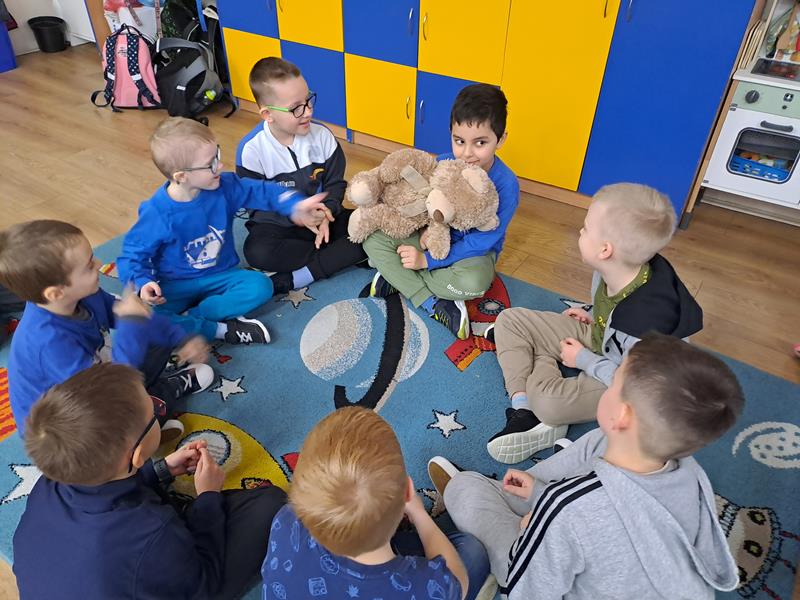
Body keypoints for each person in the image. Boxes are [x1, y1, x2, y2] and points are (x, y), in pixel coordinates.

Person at [429, 334, 743, 599]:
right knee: (595, 446)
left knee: (463, 488)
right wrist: (541, 497)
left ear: (621, 415)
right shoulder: (688, 470)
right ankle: (539, 505)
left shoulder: (568, 509)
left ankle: (492, 551)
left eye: (614, 380)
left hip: (553, 558)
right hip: (615, 551)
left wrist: (538, 530)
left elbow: (529, 591)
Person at [13, 363, 288, 599]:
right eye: (155, 412)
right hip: (161, 566)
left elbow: (107, 489)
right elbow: (202, 584)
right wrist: (208, 497)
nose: (159, 410)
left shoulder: (48, 485)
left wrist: (161, 471)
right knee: (270, 504)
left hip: (93, 572)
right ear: (137, 455)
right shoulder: (154, 529)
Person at [486, 183, 702, 462]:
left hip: (631, 381)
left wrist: (584, 360)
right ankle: (523, 408)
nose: (580, 231)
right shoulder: (617, 268)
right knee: (509, 319)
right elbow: (610, 306)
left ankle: (537, 386)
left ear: (605, 250)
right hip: (605, 337)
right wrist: (592, 313)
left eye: (586, 228)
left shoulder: (644, 325)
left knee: (547, 401)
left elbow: (631, 382)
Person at [116, 116, 332, 345]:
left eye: (217, 155)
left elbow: (262, 191)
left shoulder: (225, 186)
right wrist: (143, 282)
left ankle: (195, 319)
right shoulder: (157, 213)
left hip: (221, 276)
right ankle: (218, 330)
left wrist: (294, 205)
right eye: (210, 164)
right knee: (141, 316)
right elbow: (132, 255)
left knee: (260, 286)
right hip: (173, 285)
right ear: (182, 176)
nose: (219, 165)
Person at [0, 219, 212, 438]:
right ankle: (157, 402)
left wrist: (181, 338)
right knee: (122, 425)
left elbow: (136, 320)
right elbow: (109, 391)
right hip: (66, 429)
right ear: (56, 293)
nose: (100, 263)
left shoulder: (85, 295)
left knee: (149, 334)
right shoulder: (48, 344)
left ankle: (148, 414)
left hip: (96, 379)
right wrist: (131, 323)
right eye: (89, 266)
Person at [262, 406, 496, 600]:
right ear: (407, 492)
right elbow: (458, 581)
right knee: (471, 552)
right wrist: (419, 514)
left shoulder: (287, 518)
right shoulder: (421, 587)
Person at [364, 84, 520, 339]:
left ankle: (400, 279)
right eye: (459, 141)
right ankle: (432, 300)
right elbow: (423, 204)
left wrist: (427, 261)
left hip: (472, 255)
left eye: (480, 143)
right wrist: (426, 232)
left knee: (475, 283)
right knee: (373, 239)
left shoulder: (506, 184)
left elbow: (483, 241)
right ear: (451, 134)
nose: (467, 153)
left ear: (500, 139)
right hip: (431, 239)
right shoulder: (443, 162)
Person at [238, 57, 366, 294]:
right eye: (296, 108)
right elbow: (255, 205)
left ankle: (300, 276)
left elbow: (336, 183)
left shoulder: (323, 136)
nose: (308, 111)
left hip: (324, 217)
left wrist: (326, 213)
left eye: (308, 100)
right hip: (278, 226)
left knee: (369, 227)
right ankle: (338, 257)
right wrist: (295, 217)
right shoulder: (251, 151)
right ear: (268, 114)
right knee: (257, 252)